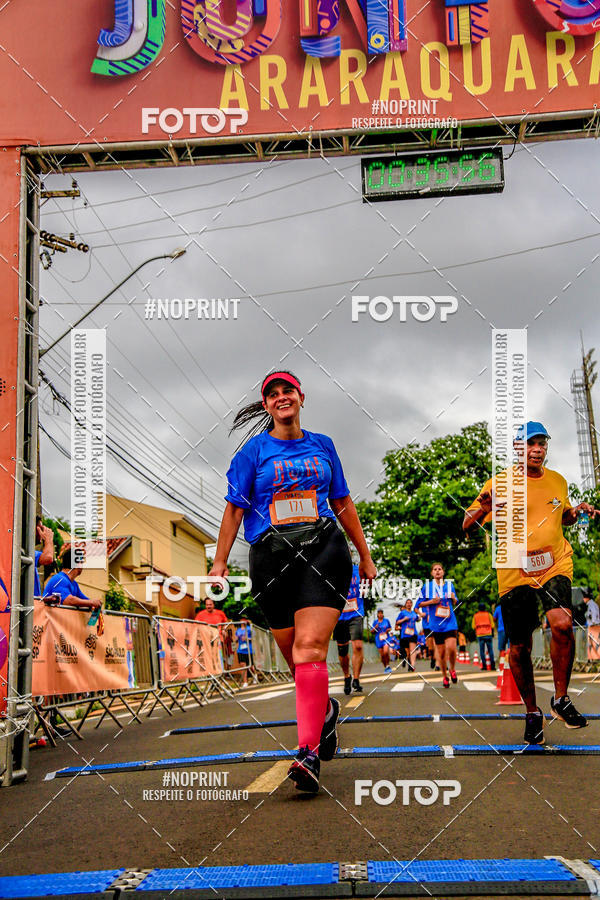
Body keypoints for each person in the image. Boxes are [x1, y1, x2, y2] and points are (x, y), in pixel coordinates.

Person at [208, 370, 376, 792]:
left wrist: (365, 554)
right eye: (273, 394)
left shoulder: (323, 446)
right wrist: (219, 562)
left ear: (301, 397)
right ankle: (326, 712)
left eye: (288, 391)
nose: (281, 397)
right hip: (270, 557)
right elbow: (233, 510)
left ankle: (307, 754)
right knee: (296, 658)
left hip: (323, 548)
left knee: (309, 649)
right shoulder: (252, 453)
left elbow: (341, 500)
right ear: (266, 405)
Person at [463, 421, 599, 743]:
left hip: (554, 562)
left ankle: (561, 699)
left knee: (562, 624)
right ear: (517, 448)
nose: (537, 450)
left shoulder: (557, 481)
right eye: (530, 444)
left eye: (542, 444)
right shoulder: (498, 482)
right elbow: (466, 525)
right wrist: (482, 509)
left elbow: (561, 515)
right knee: (520, 646)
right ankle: (532, 712)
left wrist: (576, 511)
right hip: (514, 568)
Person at [416, 563, 458, 688]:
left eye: (440, 569)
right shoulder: (427, 587)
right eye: (435, 569)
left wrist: (454, 599)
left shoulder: (450, 585)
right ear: (432, 573)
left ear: (443, 572)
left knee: (451, 648)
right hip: (436, 624)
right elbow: (418, 605)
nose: (438, 571)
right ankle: (445, 676)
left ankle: (453, 669)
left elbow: (455, 601)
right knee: (441, 652)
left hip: (450, 622)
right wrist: (431, 601)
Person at [333, 563, 365, 694]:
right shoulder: (331, 569)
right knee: (342, 650)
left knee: (357, 646)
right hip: (339, 615)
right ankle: (347, 676)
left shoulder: (359, 569)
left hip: (356, 613)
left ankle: (356, 679)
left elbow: (366, 588)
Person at [395, 598, 419, 670]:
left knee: (413, 650)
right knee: (408, 652)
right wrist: (404, 619)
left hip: (413, 633)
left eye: (410, 603)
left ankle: (412, 665)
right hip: (405, 634)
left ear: (412, 604)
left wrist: (419, 618)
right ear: (405, 605)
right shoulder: (402, 613)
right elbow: (397, 622)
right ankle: (409, 663)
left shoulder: (414, 613)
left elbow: (417, 619)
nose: (409, 604)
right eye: (407, 603)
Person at [34, 517, 55, 597]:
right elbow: (48, 558)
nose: (42, 532)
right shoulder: (22, 552)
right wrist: (48, 540)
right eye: (40, 528)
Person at [471, 602, 496, 671]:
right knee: (490, 650)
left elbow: (473, 626)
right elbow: (493, 625)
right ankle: (493, 666)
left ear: (478, 608)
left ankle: (484, 666)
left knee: (482, 651)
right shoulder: (489, 615)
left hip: (480, 635)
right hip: (488, 634)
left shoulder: (475, 616)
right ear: (485, 608)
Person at [235, 617, 256, 687]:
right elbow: (236, 639)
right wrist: (236, 639)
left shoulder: (250, 629)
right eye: (241, 619)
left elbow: (255, 637)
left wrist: (248, 638)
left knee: (251, 666)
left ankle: (255, 676)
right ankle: (245, 682)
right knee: (243, 666)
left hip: (249, 650)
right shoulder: (238, 630)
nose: (242, 621)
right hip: (240, 650)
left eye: (244, 619)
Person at [370, 609, 393, 673]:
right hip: (378, 639)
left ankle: (388, 665)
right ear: (377, 615)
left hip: (386, 638)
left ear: (383, 614)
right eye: (379, 613)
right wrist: (375, 627)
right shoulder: (375, 622)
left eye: (381, 613)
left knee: (386, 652)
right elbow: (371, 631)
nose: (380, 614)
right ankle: (385, 667)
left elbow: (390, 628)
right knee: (382, 655)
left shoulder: (386, 621)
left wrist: (387, 630)